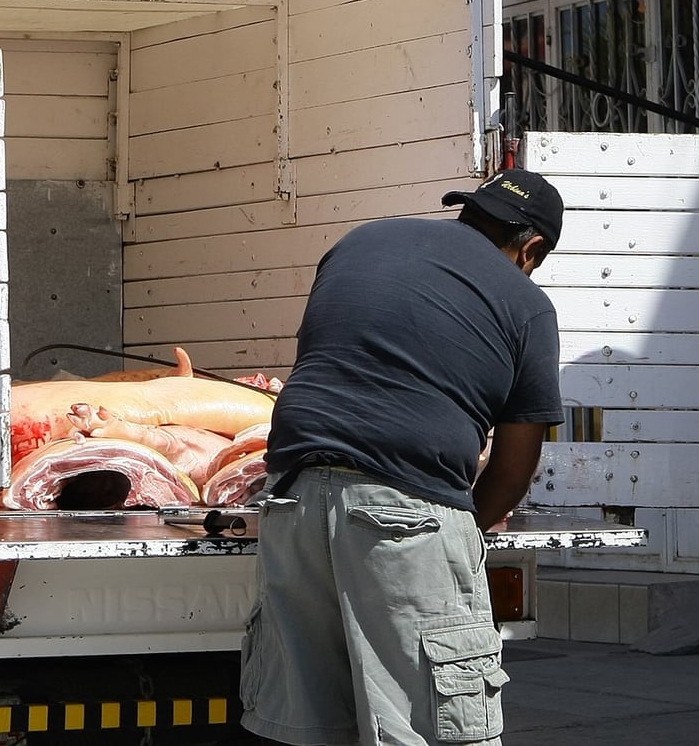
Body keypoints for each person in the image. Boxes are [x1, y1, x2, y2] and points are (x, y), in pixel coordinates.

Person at [239, 168, 566, 746]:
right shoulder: (527, 302)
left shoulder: (361, 241)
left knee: (304, 729)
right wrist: (460, 531)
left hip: (290, 499)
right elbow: (514, 468)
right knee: (424, 732)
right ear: (531, 247)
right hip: (403, 513)